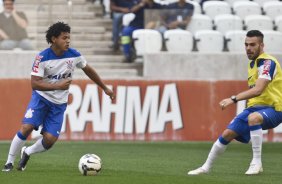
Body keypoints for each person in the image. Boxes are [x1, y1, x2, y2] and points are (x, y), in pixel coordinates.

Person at [2, 22, 115, 172]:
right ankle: (9, 162)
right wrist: (58, 86)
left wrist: (105, 88)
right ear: (54, 39)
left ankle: (27, 152)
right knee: (27, 127)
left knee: (49, 140)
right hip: (41, 99)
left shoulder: (74, 55)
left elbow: (88, 70)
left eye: (69, 38)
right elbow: (35, 84)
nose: (68, 41)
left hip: (59, 104)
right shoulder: (41, 58)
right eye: (64, 38)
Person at [188, 30, 282, 175]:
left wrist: (233, 99)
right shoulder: (253, 64)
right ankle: (205, 167)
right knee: (227, 134)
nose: (248, 48)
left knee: (254, 118)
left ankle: (256, 162)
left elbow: (258, 90)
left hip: (275, 109)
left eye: (252, 45)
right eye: (246, 45)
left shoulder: (267, 62)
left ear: (262, 45)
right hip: (254, 108)